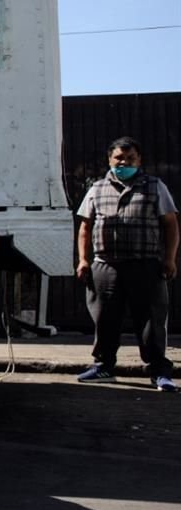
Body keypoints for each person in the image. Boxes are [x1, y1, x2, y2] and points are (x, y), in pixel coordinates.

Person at [75, 136, 178, 392]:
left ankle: (159, 372)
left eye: (130, 158)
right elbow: (85, 227)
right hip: (105, 266)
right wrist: (83, 260)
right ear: (109, 160)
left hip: (145, 265)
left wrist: (169, 258)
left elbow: (171, 224)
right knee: (105, 319)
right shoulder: (96, 188)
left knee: (151, 321)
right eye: (119, 158)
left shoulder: (155, 187)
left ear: (139, 160)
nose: (124, 162)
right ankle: (104, 367)